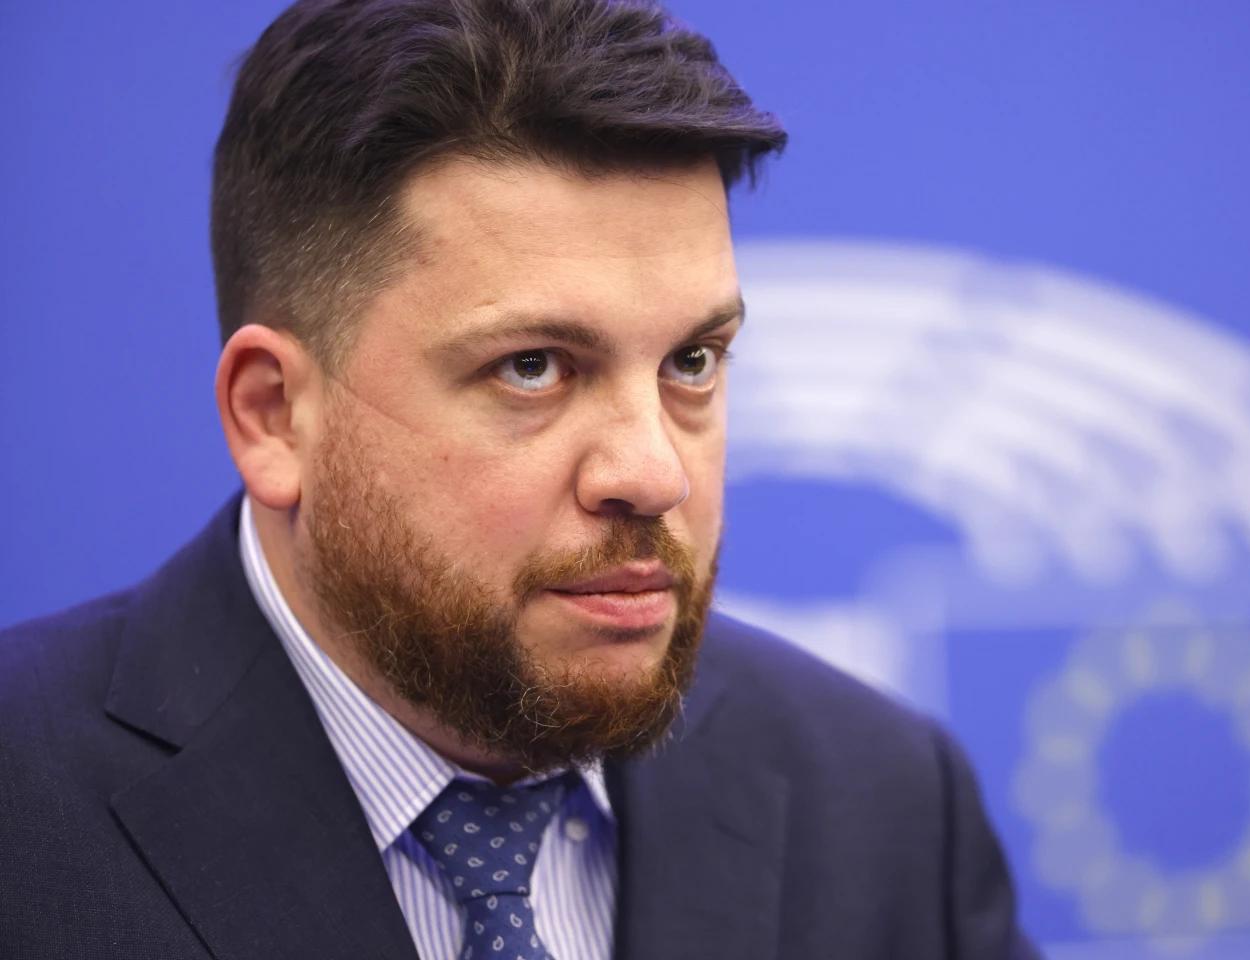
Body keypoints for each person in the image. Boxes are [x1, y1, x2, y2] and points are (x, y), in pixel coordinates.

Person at [0, 1, 1033, 957]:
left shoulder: (882, 805)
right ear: (274, 414)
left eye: (693, 362)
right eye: (532, 368)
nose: (652, 472)